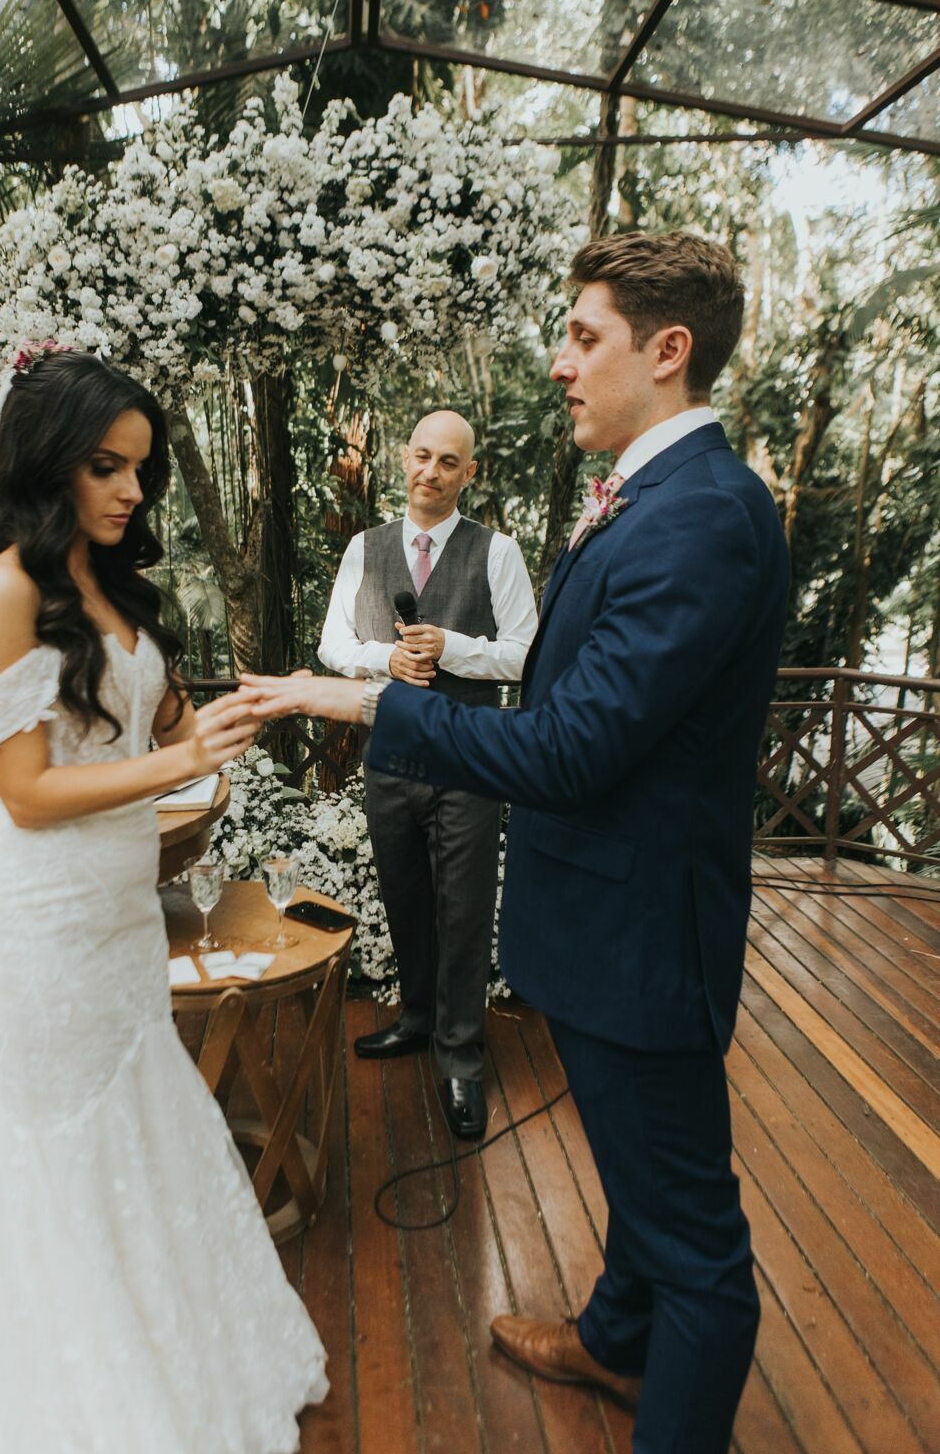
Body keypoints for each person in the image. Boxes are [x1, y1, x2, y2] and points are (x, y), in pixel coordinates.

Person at [241, 232, 790, 1454]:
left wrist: (377, 702)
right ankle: (610, 1338)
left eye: (582, 336)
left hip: (642, 932)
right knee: (638, 1178)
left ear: (667, 350)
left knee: (696, 1241)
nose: (559, 362)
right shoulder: (658, 494)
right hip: (606, 919)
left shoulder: (700, 515)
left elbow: (566, 748)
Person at [0, 347, 328, 1453]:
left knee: (137, 1117)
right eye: (105, 466)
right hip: (35, 928)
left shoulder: (109, 584)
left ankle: (179, 1348)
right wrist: (179, 766)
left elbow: (161, 725)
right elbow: (25, 794)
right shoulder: (1, 592)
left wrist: (229, 716)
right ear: (47, 465)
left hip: (118, 916)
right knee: (59, 1144)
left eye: (140, 468)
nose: (131, 490)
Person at [318, 410, 536, 1139]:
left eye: (449, 462)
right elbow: (332, 645)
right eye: (421, 456)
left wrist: (450, 648)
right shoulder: (365, 547)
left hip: (469, 754)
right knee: (405, 893)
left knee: (464, 907)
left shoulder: (495, 552)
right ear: (402, 460)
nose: (431, 472)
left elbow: (524, 656)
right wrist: (388, 660)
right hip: (392, 752)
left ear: (468, 473)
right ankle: (416, 1019)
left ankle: (461, 1057)